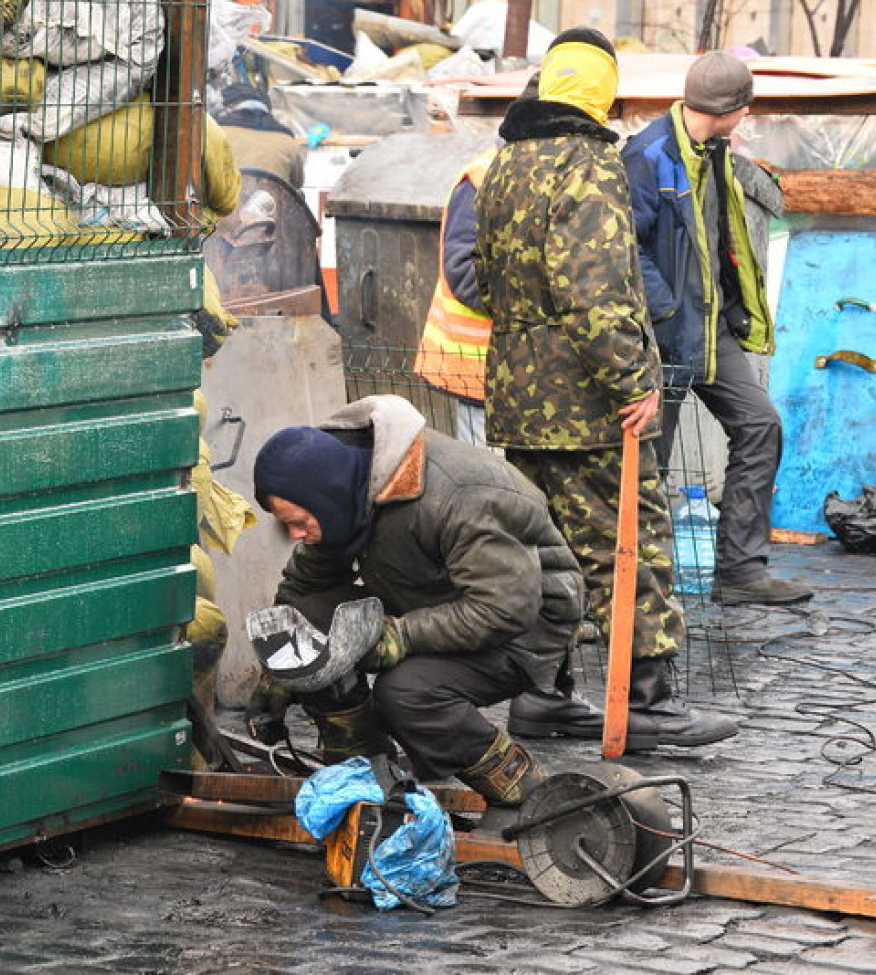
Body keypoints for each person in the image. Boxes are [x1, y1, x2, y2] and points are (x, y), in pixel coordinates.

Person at [472, 27, 738, 748]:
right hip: (586, 403)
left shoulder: (504, 165)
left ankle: (542, 694)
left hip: (519, 399)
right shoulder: (588, 167)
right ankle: (647, 701)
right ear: (601, 93)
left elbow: (485, 279)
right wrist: (632, 379)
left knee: (542, 551)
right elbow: (593, 293)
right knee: (632, 544)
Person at [245, 393, 605, 806]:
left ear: (325, 499)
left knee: (408, 692)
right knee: (310, 623)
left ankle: (523, 792)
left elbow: (504, 608)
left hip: (524, 629)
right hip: (427, 596)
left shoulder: (464, 495)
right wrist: (277, 670)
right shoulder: (344, 491)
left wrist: (401, 636)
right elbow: (302, 590)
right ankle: (365, 769)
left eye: (298, 523)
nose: (294, 535)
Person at [622, 51, 812, 607]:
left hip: (710, 331)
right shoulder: (647, 157)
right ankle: (638, 593)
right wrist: (665, 311)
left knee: (760, 425)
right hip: (666, 337)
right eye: (747, 106)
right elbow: (625, 246)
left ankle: (741, 574)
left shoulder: (715, 153)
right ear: (735, 108)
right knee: (649, 469)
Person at [415, 146, 497, 447]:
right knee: (490, 479)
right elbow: (463, 272)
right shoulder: (482, 177)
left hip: (513, 369)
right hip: (480, 368)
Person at [214, 83, 304, 190]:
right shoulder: (288, 141)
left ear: (228, 108)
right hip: (272, 204)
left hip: (225, 204)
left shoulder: (217, 135)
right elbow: (297, 183)